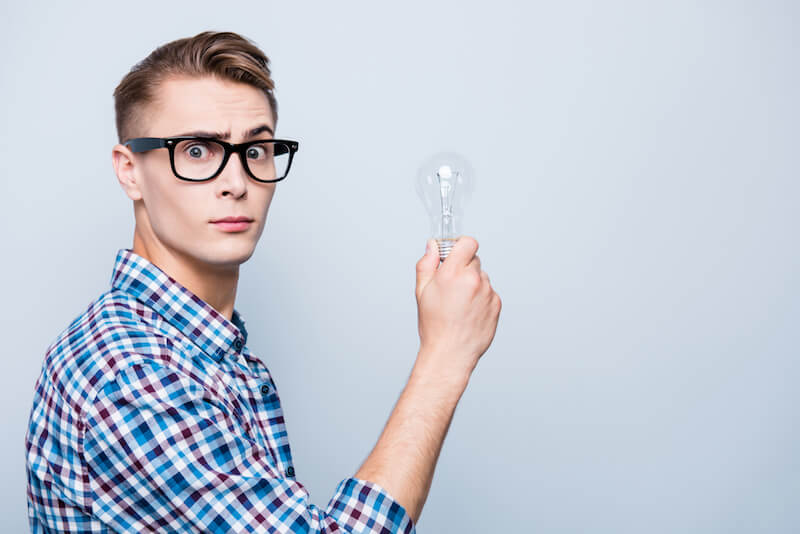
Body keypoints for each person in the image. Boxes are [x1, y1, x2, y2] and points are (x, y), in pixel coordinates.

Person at [24, 30, 501, 533]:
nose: (237, 183)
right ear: (129, 171)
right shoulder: (135, 375)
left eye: (255, 150)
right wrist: (444, 357)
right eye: (197, 150)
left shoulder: (205, 353)